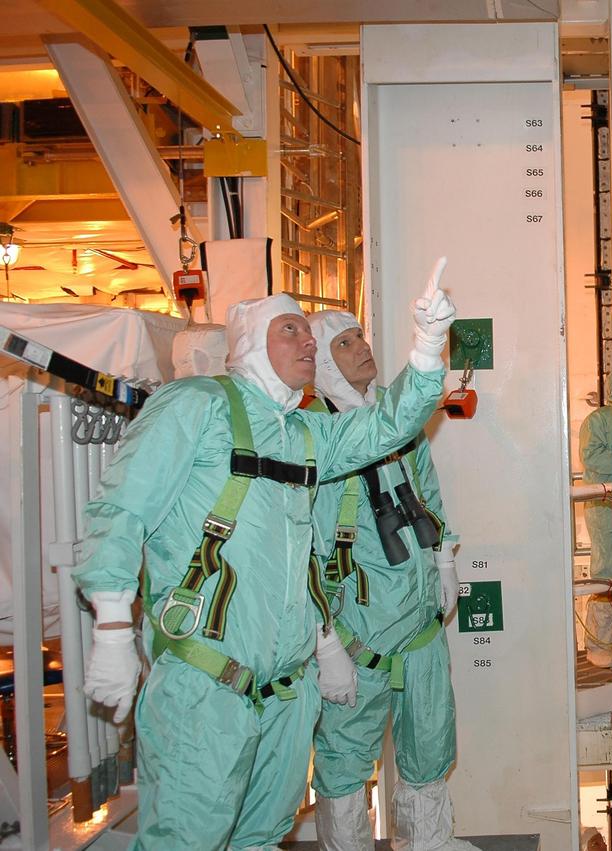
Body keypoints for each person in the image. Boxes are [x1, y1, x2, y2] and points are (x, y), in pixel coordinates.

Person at [74, 266, 456, 850]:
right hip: (206, 684)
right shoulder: (195, 406)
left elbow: (385, 428)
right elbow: (122, 511)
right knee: (188, 838)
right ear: (250, 344)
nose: (308, 342)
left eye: (309, 333)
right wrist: (111, 627)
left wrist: (427, 348)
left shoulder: (305, 434)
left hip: (284, 692)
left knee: (262, 837)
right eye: (289, 330)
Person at [306, 309, 476, 851]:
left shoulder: (397, 426)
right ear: (322, 366)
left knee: (428, 740)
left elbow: (428, 494)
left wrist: (445, 559)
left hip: (419, 623)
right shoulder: (314, 437)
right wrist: (324, 640)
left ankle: (432, 843)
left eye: (360, 337)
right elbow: (302, 551)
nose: (361, 348)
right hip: (360, 635)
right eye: (344, 344)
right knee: (345, 760)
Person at [579, 402, 612, 668]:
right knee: (607, 573)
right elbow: (591, 456)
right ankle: (598, 643)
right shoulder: (599, 419)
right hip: (604, 508)